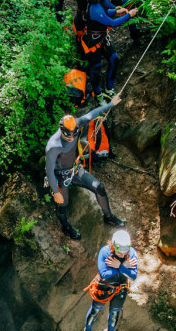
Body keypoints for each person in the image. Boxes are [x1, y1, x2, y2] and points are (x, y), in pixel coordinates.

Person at [45, 95, 126, 240]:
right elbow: (49, 171)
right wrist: (56, 191)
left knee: (99, 187)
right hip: (60, 176)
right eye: (68, 136)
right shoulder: (53, 146)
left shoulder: (76, 124)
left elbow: (92, 114)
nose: (71, 138)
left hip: (74, 169)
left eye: (73, 135)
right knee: (62, 204)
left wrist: (111, 104)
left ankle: (109, 217)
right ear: (62, 130)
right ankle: (66, 227)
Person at [80, 229, 138, 331]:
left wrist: (119, 266)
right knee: (94, 312)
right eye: (119, 253)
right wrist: (123, 267)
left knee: (114, 315)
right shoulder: (105, 252)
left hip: (120, 288)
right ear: (113, 245)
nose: (122, 255)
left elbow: (133, 275)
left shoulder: (131, 253)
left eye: (124, 253)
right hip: (104, 286)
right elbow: (104, 273)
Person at [81, 0, 137, 95]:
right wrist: (128, 15)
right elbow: (111, 22)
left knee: (114, 60)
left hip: (101, 37)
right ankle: (98, 94)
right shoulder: (95, 8)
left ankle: (109, 88)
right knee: (96, 68)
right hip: (94, 40)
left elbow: (105, 11)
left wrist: (116, 11)